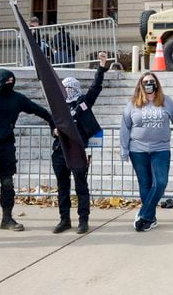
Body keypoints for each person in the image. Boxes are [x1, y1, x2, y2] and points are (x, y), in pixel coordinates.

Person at [0, 68, 56, 234]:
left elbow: (41, 111)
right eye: (7, 80)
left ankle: (7, 218)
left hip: (6, 145)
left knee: (7, 182)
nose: (10, 83)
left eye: (12, 80)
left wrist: (53, 125)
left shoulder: (17, 98)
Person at [119, 72, 173, 232]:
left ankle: (144, 214)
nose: (149, 84)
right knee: (145, 184)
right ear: (140, 85)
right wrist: (124, 149)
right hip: (138, 150)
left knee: (161, 182)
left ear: (156, 84)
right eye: (145, 82)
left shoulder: (166, 102)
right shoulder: (133, 103)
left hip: (160, 149)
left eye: (151, 81)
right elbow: (125, 127)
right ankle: (151, 219)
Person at [51, 52, 109, 235]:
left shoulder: (83, 104)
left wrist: (101, 66)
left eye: (71, 87)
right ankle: (64, 219)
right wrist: (53, 131)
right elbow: (53, 125)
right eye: (65, 87)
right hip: (60, 151)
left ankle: (83, 220)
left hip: (77, 150)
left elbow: (95, 88)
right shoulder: (58, 106)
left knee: (81, 186)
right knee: (63, 187)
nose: (68, 91)